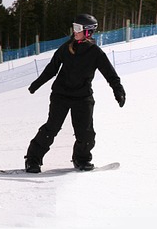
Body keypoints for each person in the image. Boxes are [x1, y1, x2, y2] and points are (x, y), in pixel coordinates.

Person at [24, 14, 126, 173]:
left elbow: (110, 74)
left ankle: (81, 159)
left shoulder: (95, 53)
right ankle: (32, 160)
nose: (74, 31)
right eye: (74, 27)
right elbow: (52, 68)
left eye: (78, 28)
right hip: (61, 95)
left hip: (83, 97)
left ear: (88, 32)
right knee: (51, 129)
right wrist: (36, 84)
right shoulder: (66, 48)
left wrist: (118, 90)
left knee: (86, 133)